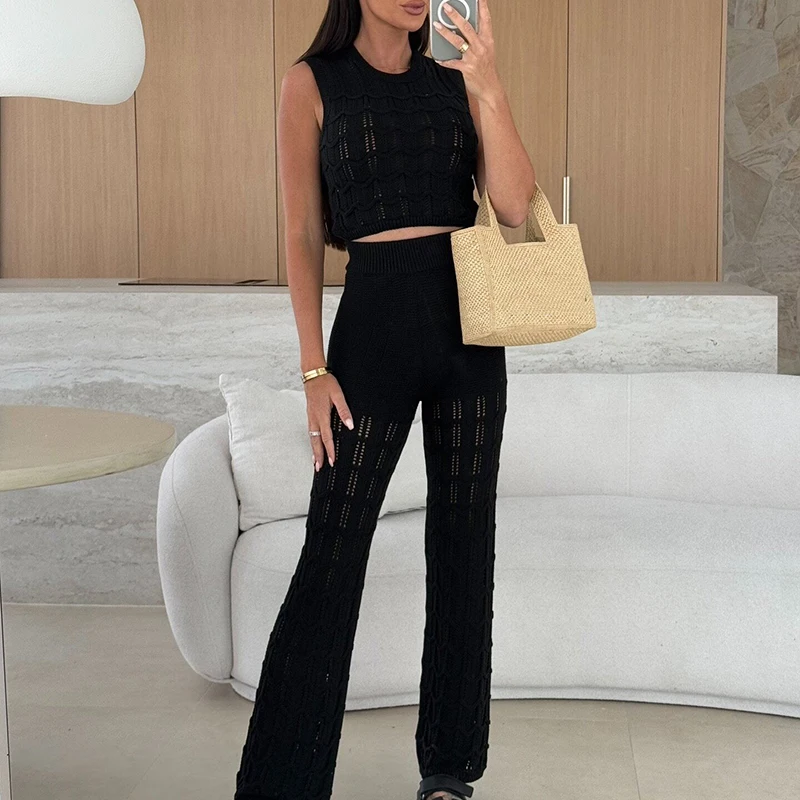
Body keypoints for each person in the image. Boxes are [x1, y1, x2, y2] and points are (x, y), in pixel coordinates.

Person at [234, 1, 536, 798]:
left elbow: (513, 207)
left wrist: (489, 85)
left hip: (470, 330)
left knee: (465, 545)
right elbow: (303, 232)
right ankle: (281, 784)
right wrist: (313, 369)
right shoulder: (311, 83)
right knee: (332, 551)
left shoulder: (455, 77)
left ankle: (449, 772)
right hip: (370, 329)